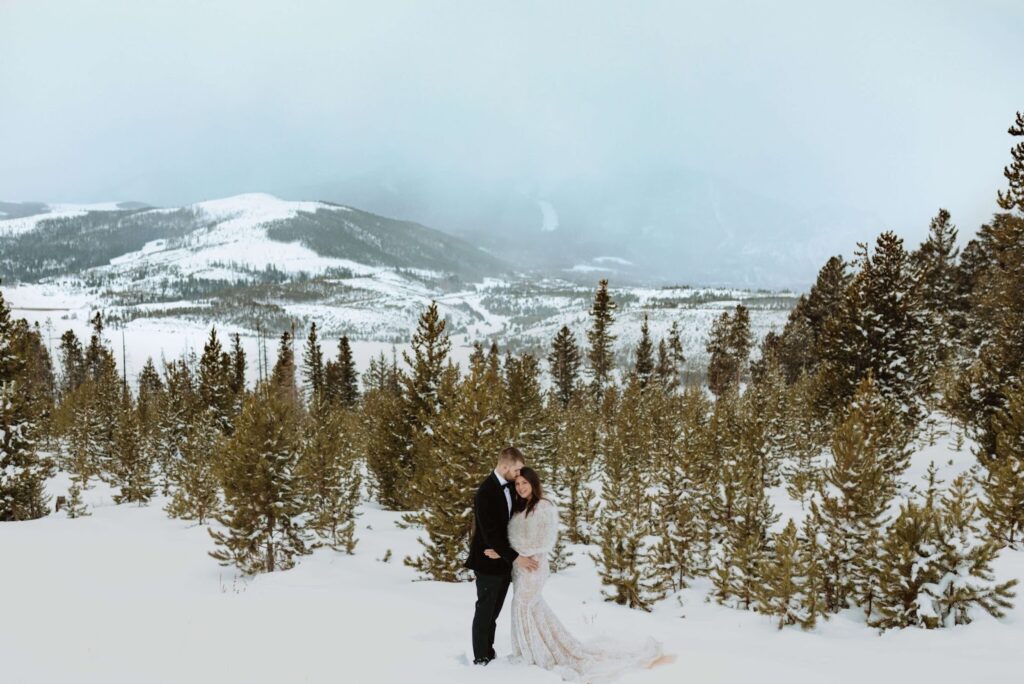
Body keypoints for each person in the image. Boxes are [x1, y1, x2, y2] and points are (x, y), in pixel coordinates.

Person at [485, 467, 674, 681]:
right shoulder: (522, 507)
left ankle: (535, 655)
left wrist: (504, 552)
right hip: (520, 567)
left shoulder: (543, 506)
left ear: (534, 484)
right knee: (531, 609)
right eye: (517, 484)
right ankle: (533, 650)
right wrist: (508, 553)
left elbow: (541, 541)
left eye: (524, 483)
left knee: (523, 606)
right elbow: (516, 537)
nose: (520, 488)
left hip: (533, 566)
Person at [465, 446, 540, 665]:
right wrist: (517, 557)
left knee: (494, 614)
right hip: (488, 562)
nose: (519, 475)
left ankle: (489, 652)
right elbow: (490, 534)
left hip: (504, 563)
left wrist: (507, 555)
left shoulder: (512, 487)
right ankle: (481, 659)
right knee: (484, 613)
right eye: (517, 470)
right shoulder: (486, 491)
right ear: (504, 466)